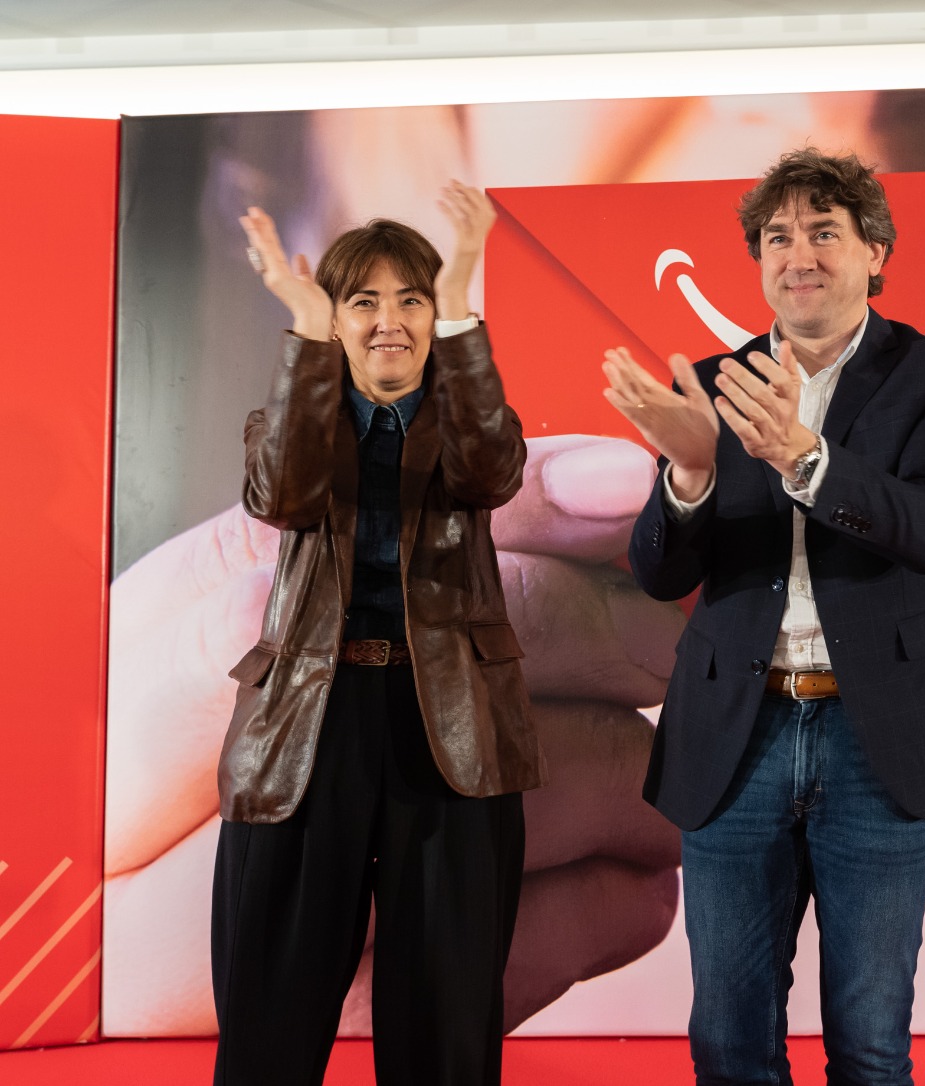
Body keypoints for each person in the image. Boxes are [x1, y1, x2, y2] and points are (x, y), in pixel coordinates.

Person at [602, 147, 925, 1085]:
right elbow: (660, 574)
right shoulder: (713, 381)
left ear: (875, 251)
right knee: (728, 1039)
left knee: (869, 1043)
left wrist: (802, 455)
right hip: (735, 735)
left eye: (825, 232)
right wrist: (690, 475)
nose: (799, 254)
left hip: (880, 735)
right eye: (778, 236)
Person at [215, 185, 538, 1085]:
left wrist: (467, 288)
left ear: (439, 317)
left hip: (451, 722)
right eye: (364, 301)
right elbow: (281, 494)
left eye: (412, 300)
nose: (389, 321)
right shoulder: (290, 421)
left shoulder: (476, 422)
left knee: (446, 1003)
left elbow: (492, 473)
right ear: (337, 319)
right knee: (271, 998)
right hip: (305, 726)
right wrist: (308, 335)